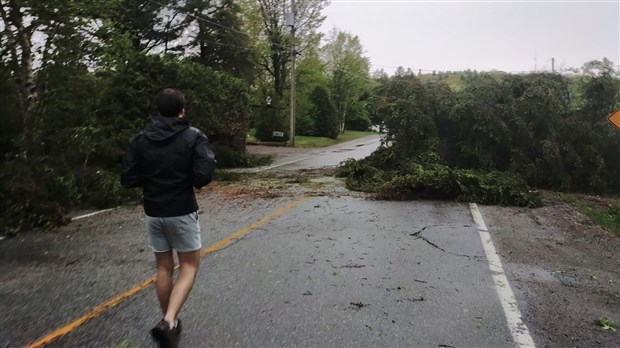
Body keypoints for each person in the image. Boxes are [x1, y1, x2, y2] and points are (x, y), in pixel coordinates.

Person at [121, 88, 216, 348]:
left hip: (153, 211)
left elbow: (128, 178)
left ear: (159, 111)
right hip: (182, 210)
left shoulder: (139, 139)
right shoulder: (193, 136)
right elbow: (203, 176)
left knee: (163, 267)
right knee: (189, 266)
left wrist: (152, 180)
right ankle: (170, 319)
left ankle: (170, 323)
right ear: (181, 110)